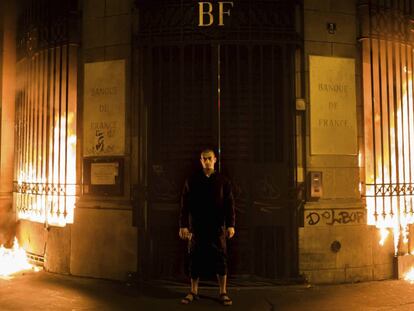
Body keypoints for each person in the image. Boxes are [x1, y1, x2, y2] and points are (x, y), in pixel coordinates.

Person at [179, 148, 236, 306]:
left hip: (217, 227)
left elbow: (230, 204)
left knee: (220, 258)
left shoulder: (223, 181)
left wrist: (231, 225)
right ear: (201, 161)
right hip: (196, 227)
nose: (207, 161)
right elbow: (185, 204)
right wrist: (183, 226)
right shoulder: (192, 180)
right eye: (204, 159)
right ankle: (193, 291)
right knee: (194, 258)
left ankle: (223, 292)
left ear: (215, 160)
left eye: (210, 158)